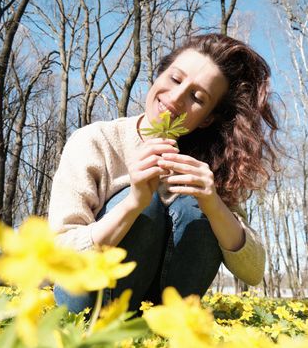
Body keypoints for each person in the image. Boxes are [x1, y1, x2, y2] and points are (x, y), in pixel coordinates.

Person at [48, 33, 278, 313]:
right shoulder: (95, 141)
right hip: (87, 305)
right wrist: (133, 204)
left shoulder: (203, 169)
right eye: (175, 79)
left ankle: (165, 328)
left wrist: (213, 203)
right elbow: (58, 253)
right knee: (147, 204)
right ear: (159, 75)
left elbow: (253, 271)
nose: (177, 98)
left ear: (207, 118)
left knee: (199, 206)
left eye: (197, 97)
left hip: (160, 314)